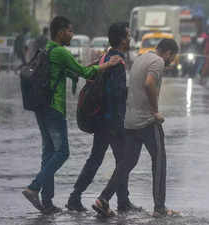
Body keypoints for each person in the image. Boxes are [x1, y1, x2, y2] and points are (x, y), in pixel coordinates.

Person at [21, 16, 122, 215]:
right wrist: (107, 65)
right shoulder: (60, 51)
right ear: (60, 32)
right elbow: (84, 72)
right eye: (69, 30)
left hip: (40, 107)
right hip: (54, 108)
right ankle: (34, 188)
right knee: (62, 153)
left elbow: (70, 72)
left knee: (49, 153)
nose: (72, 34)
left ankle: (47, 202)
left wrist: (96, 63)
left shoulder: (48, 50)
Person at [92, 39, 179, 217]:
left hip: (130, 120)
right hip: (147, 121)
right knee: (159, 161)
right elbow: (149, 84)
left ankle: (103, 199)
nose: (171, 60)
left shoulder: (141, 58)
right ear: (168, 53)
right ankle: (159, 208)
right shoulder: (158, 62)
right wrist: (155, 111)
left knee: (127, 163)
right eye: (173, 56)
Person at [65, 22, 139, 213]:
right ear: (122, 40)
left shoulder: (106, 56)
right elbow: (116, 94)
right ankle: (120, 201)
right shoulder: (117, 61)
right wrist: (131, 96)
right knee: (124, 161)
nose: (130, 38)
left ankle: (76, 198)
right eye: (128, 35)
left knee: (98, 159)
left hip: (101, 119)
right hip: (112, 121)